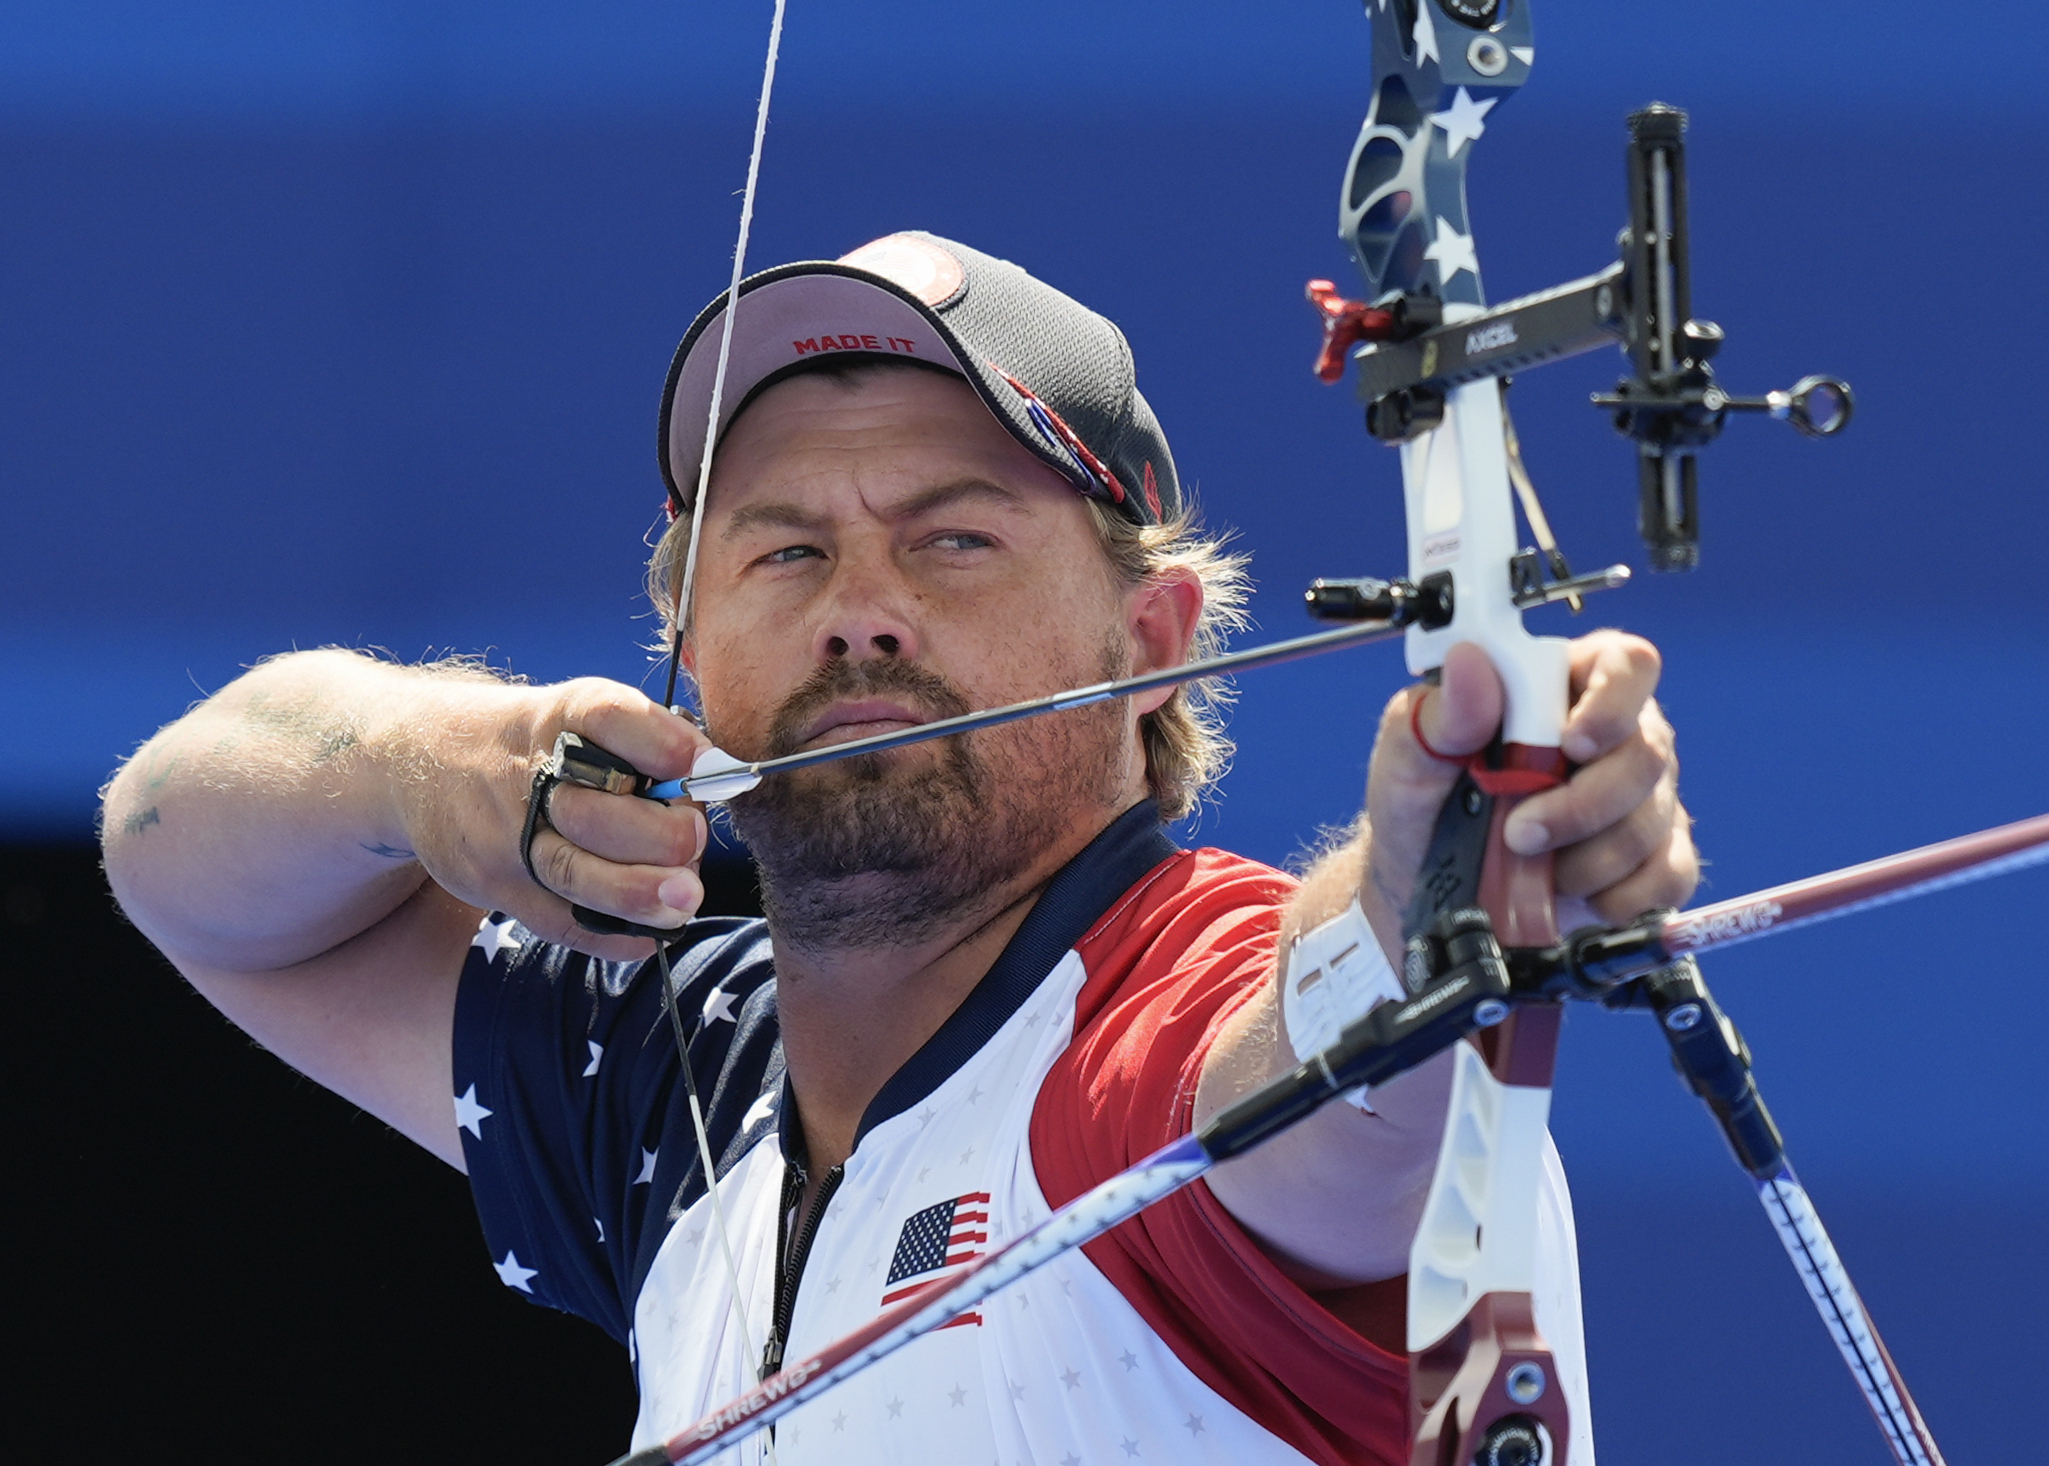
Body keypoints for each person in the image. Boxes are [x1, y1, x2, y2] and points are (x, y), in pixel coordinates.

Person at [102, 232, 1694, 1466]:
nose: (861, 602)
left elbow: (1329, 1085)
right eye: (785, 547)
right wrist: (416, 757)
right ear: (686, 653)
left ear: (1152, 637)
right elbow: (182, 864)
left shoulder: (1152, 1022)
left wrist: (1432, 896)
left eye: (954, 536)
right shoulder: (687, 1079)